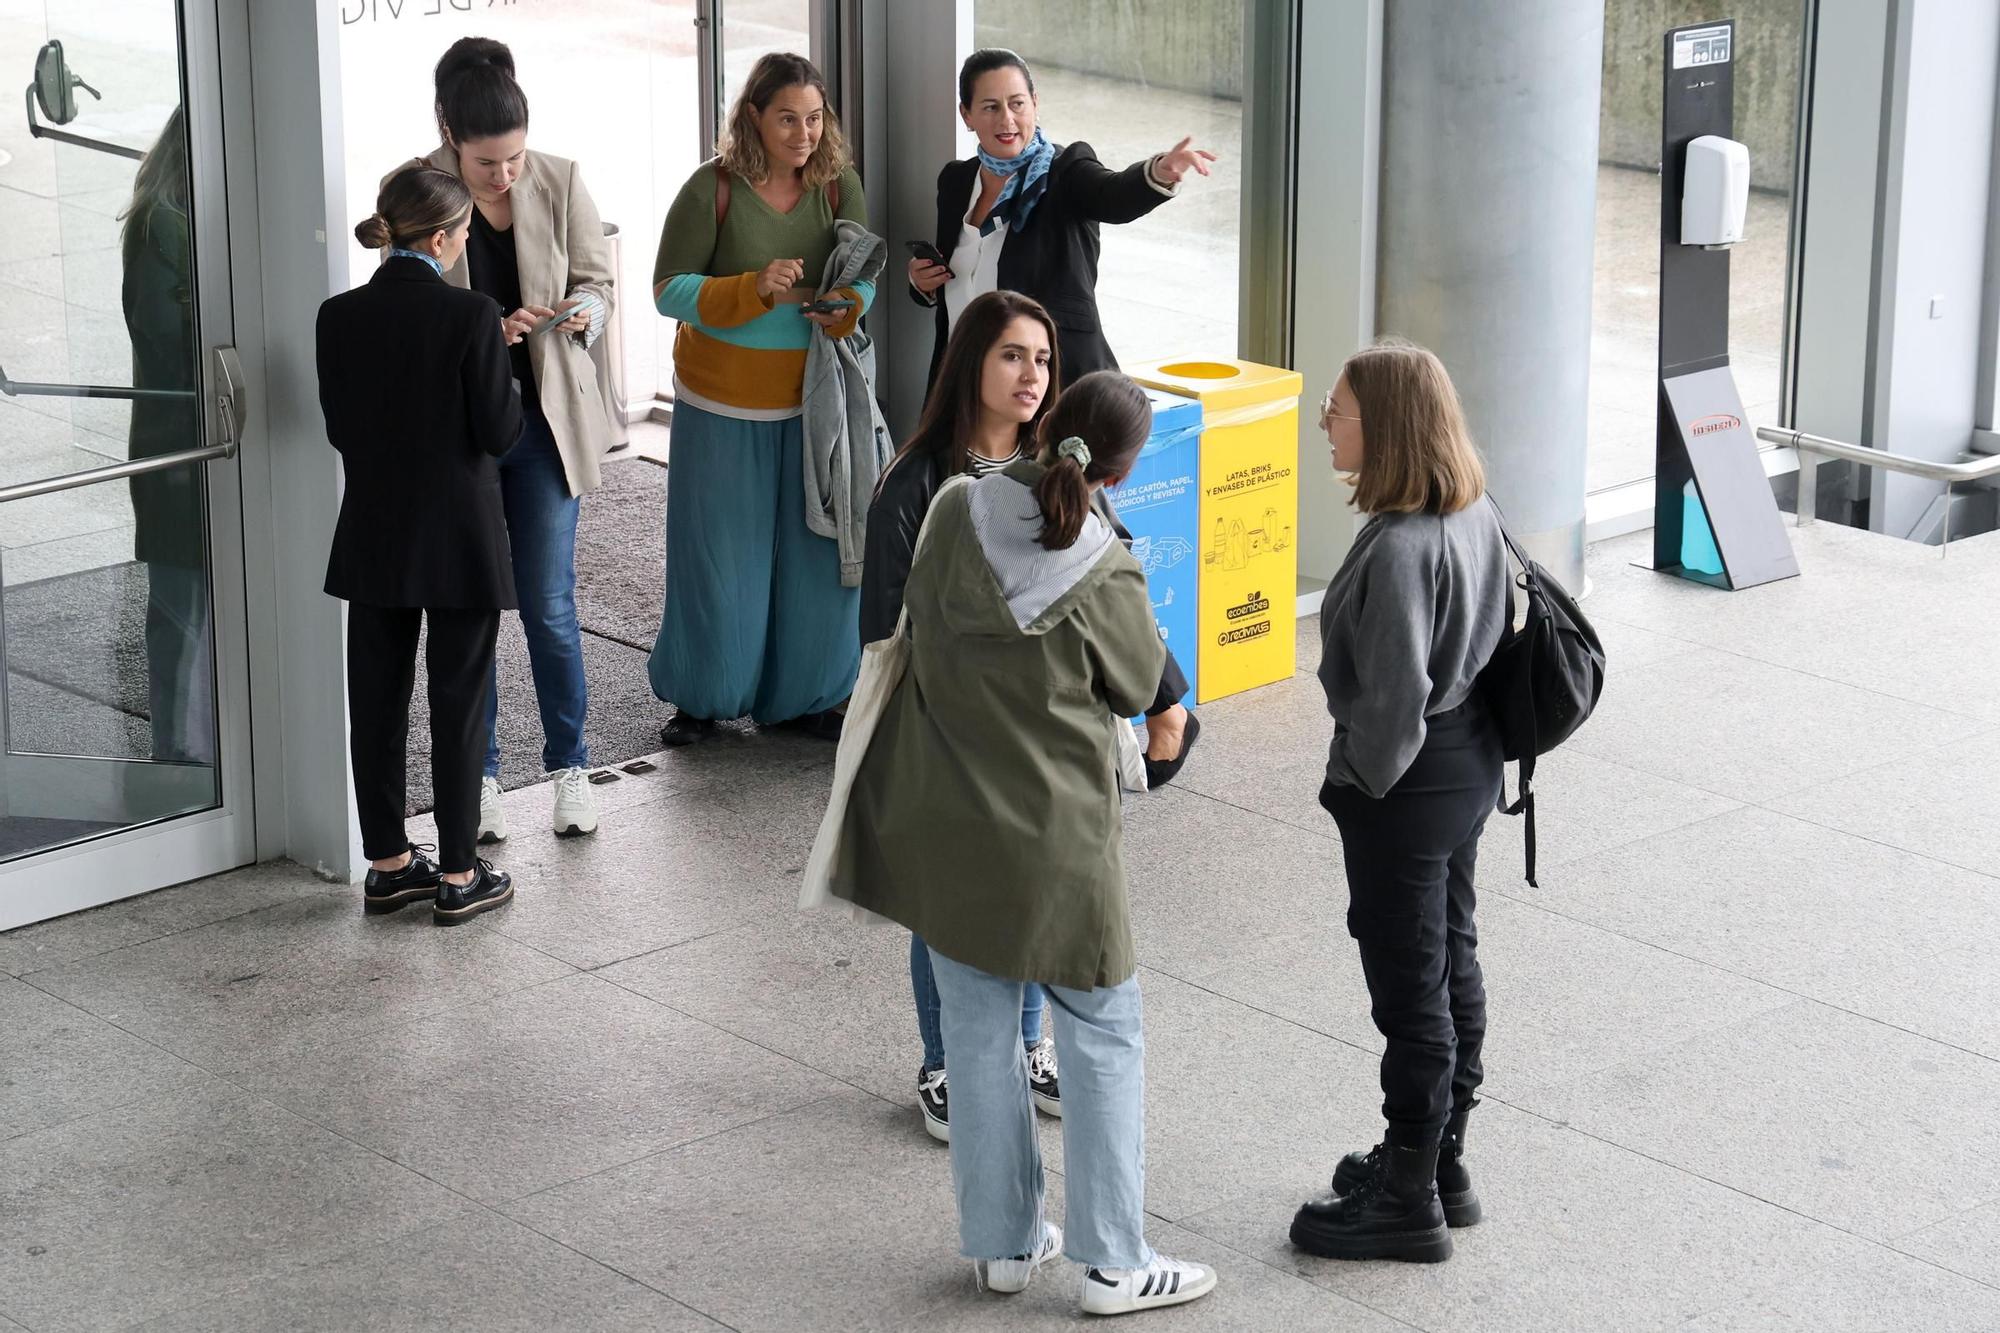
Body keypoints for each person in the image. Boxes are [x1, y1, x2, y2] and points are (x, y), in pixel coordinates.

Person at [832, 372, 1217, 1317]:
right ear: (1122, 472)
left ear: (1048, 425)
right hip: (1058, 837)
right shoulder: (1102, 563)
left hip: (949, 820)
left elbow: (908, 625)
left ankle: (1003, 1247)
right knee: (1101, 1031)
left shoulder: (958, 505)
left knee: (977, 1037)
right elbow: (1143, 691)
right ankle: (1111, 1261)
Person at [860, 291, 1200, 1145]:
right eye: (1013, 354)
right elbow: (884, 629)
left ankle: (1028, 1042)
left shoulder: (1063, 472)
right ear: (971, 361)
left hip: (1046, 738)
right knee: (950, 902)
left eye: (1043, 359)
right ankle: (944, 1059)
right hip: (951, 731)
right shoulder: (917, 481)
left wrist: (1170, 699)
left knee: (1030, 893)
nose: (1031, 373)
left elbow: (1112, 590)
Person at [1288, 339, 1510, 1264]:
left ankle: (1406, 1199)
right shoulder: (1472, 511)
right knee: (1450, 952)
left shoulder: (1401, 548)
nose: (1325, 423)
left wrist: (1360, 791)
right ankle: (1442, 1161)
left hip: (1408, 783)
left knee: (1409, 985)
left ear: (1384, 428)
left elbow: (1387, 708)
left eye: (1337, 408)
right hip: (1469, 764)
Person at [394, 36, 616, 843]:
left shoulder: (559, 178)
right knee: (471, 610)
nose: (504, 177)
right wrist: (489, 324)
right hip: (464, 437)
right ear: (450, 134)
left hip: (546, 427)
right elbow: (406, 309)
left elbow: (599, 280)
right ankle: (477, 778)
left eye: (515, 158)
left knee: (551, 608)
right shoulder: (417, 192)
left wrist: (584, 312)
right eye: (488, 164)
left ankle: (571, 767)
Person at [648, 52, 873, 748]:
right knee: (721, 556)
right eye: (786, 119)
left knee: (817, 558)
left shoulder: (838, 187)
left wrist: (846, 307)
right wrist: (754, 288)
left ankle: (807, 699)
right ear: (753, 117)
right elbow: (668, 290)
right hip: (720, 408)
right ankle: (703, 699)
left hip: (814, 406)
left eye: (813, 118)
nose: (803, 133)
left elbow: (863, 277)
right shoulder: (710, 188)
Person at [316, 166, 521, 925]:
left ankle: (389, 865)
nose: (465, 243)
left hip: (373, 535)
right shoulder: (471, 316)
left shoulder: (335, 316)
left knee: (375, 703)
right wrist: (501, 360)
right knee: (458, 702)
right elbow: (499, 433)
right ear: (439, 237)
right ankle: (462, 874)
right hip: (460, 539)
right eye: (463, 232)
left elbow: (343, 429)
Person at [906, 48, 1216, 391]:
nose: (1006, 119)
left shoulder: (1064, 171)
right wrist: (923, 285)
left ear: (1035, 104)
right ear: (967, 115)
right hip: (965, 384)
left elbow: (1113, 196)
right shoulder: (955, 182)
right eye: (990, 107)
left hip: (1053, 388)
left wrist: (1158, 173)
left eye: (1017, 103)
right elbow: (956, 279)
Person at [119, 106, 213, 769]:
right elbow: (164, 335)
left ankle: (196, 745)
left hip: (191, 437)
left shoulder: (182, 222)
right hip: (178, 444)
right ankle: (175, 755)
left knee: (196, 606)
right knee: (179, 609)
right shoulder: (159, 227)